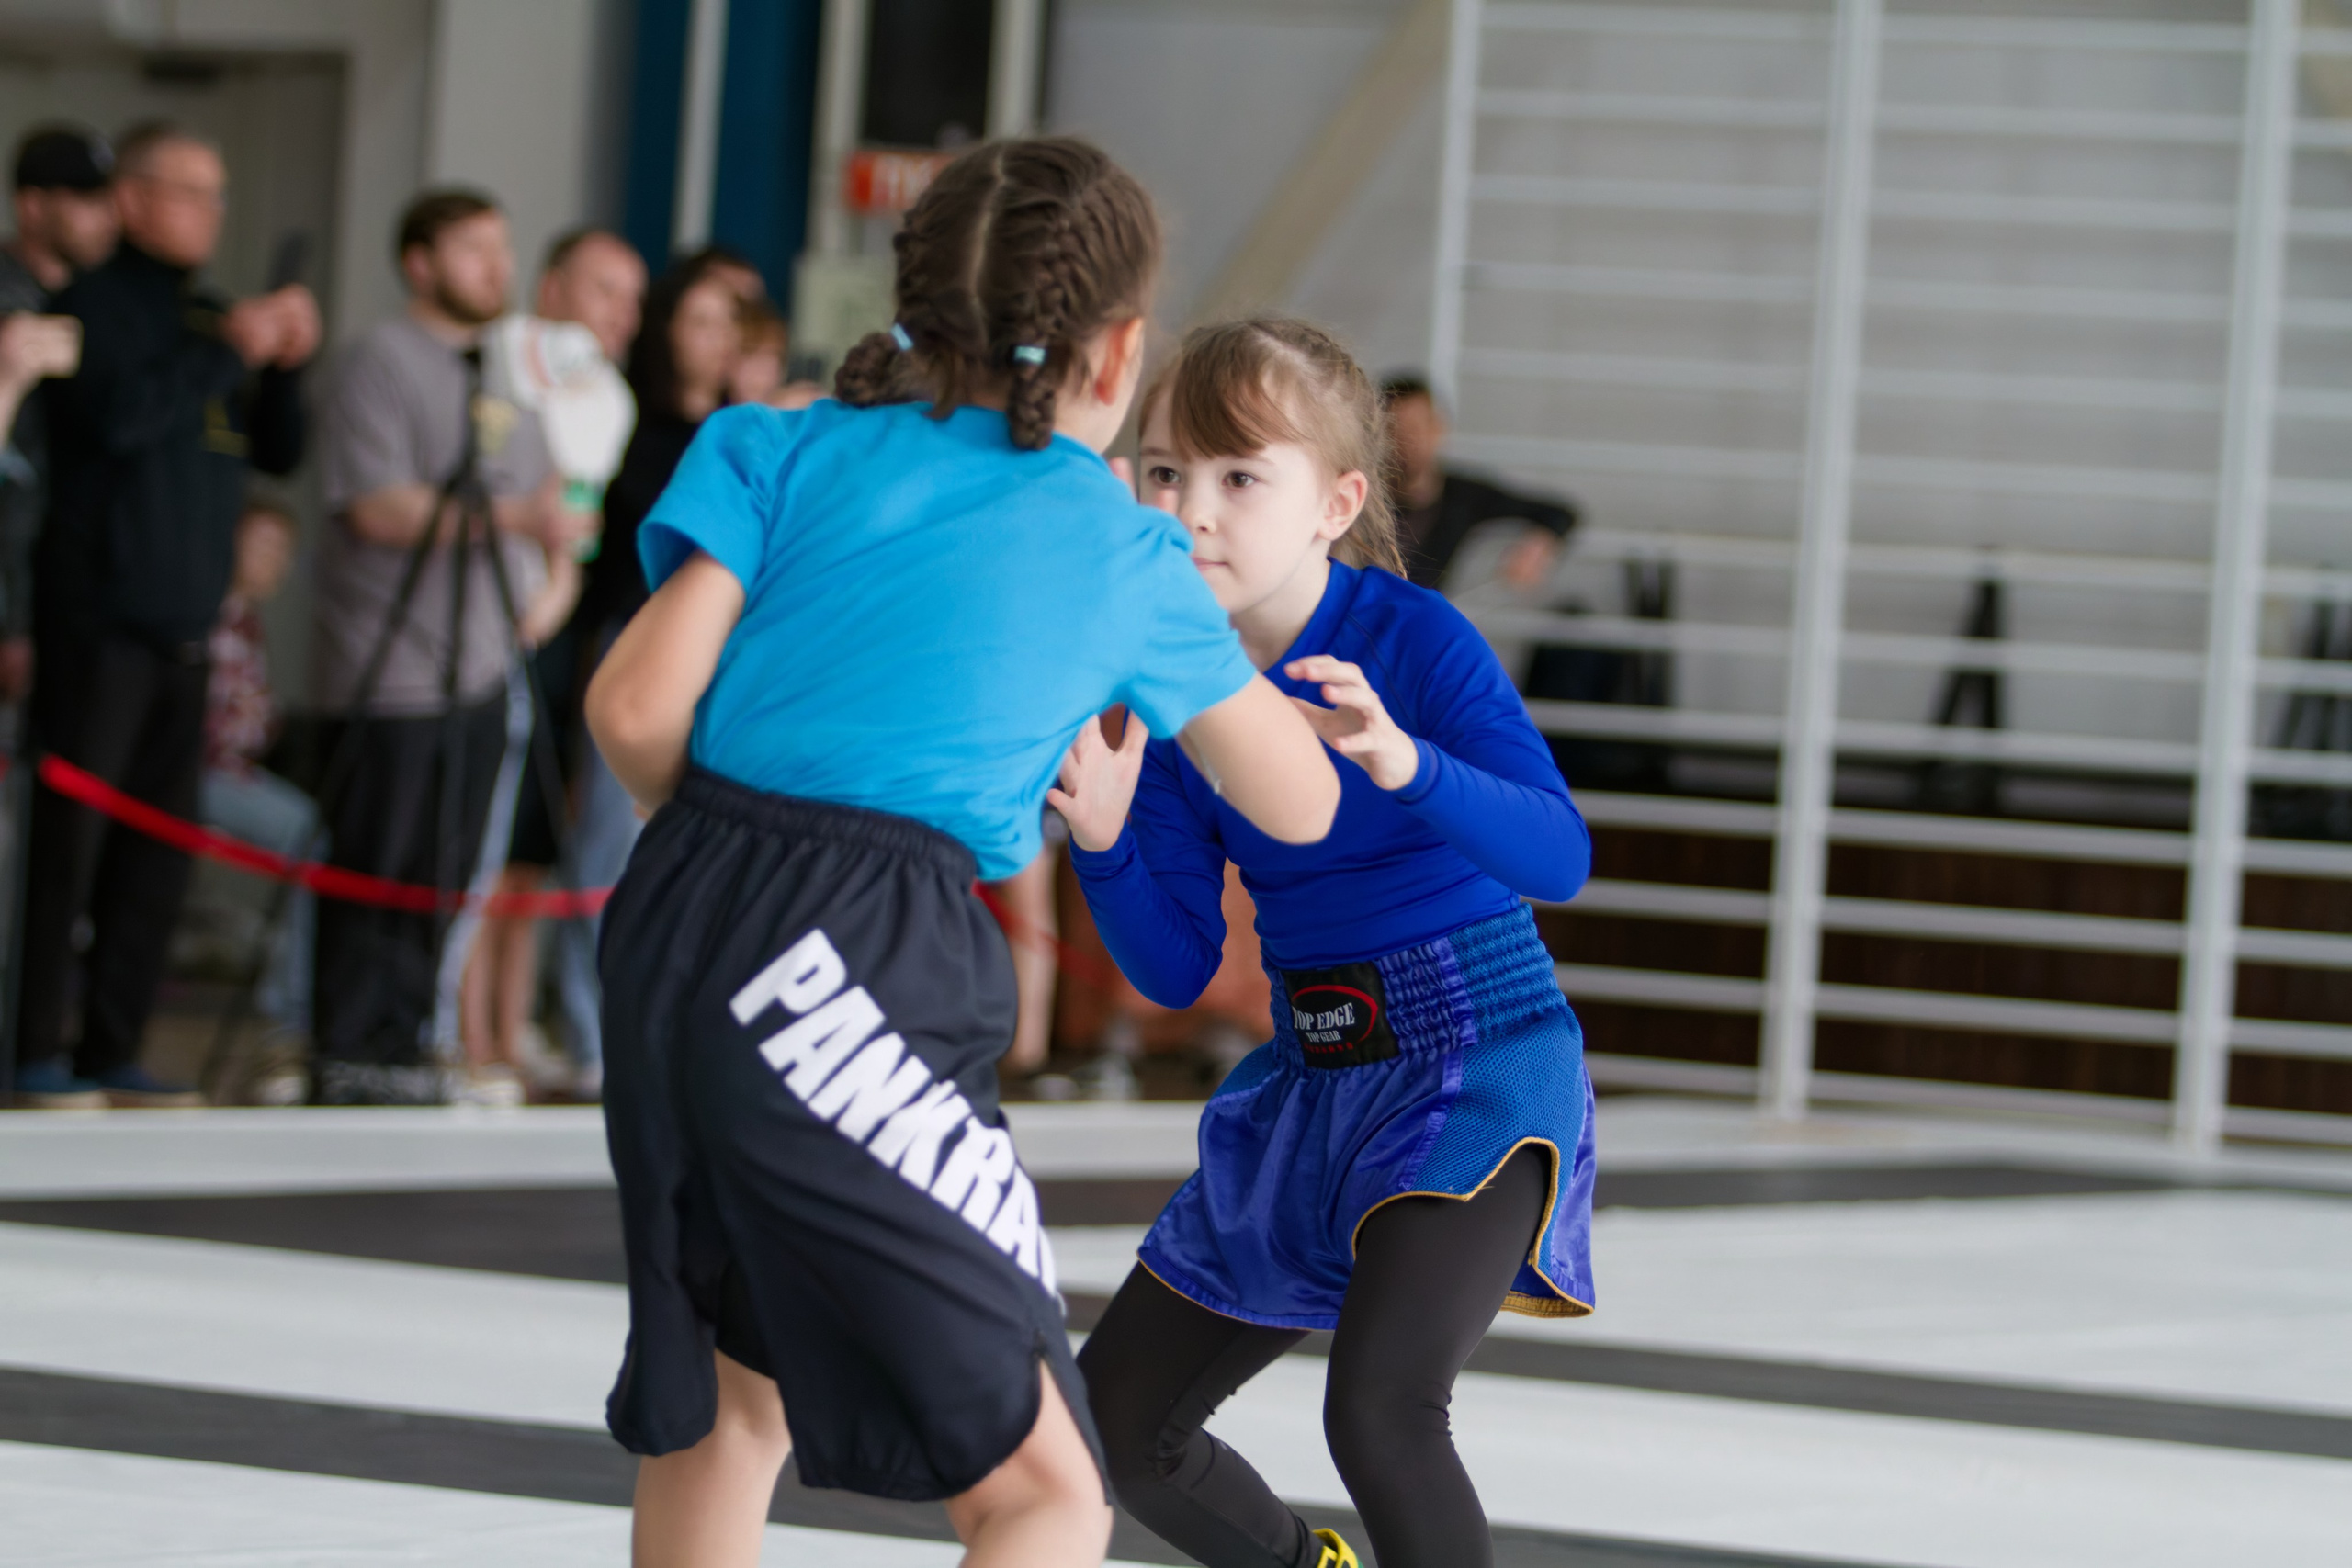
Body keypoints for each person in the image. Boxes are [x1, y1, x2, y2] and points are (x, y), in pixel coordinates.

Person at [582, 136, 1340, 1568]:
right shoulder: (1118, 547)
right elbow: (1297, 803)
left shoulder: (780, 440)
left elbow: (632, 709)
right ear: (1120, 352)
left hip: (674, 917)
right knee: (1047, 1491)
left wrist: (756, 840)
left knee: (729, 1393)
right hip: (852, 947)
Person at [1056, 320, 1596, 1568]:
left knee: (1382, 1408)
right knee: (1118, 1422)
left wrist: (1405, 760)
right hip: (1314, 1076)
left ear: (1336, 502)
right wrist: (1103, 838)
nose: (1193, 509)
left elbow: (1557, 856)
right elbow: (1179, 966)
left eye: (1240, 476)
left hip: (1480, 1056)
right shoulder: (1171, 685)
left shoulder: (1416, 638)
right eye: (1163, 472)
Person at [15, 122, 315, 1111]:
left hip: (189, 629)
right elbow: (117, 422)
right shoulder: (90, 308)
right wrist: (229, 349)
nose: (209, 212)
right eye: (189, 190)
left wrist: (282, 365)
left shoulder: (211, 320)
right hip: (97, 623)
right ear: (136, 198)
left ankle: (117, 1046)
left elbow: (278, 452)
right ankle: (36, 1049)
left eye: (218, 193)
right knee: (71, 853)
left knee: (158, 854)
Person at [309, 187, 588, 1106]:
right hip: (387, 667)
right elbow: (378, 504)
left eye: (502, 250)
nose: (495, 271)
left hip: (480, 662)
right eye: (472, 250)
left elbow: (554, 501)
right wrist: (508, 516)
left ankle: (407, 1042)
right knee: (377, 864)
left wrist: (546, 582)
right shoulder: (376, 363)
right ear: (419, 262)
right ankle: (347, 1048)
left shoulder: (504, 369)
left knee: (447, 868)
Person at [459, 227, 646, 1100]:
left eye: (631, 297)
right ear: (554, 283)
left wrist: (553, 590)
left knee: (530, 838)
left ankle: (503, 1029)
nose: (621, 313)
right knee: (477, 840)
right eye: (604, 289)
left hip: (544, 625)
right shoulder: (491, 362)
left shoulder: (606, 397)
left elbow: (574, 522)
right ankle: (457, 1031)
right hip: (461, 628)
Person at [199, 502, 314, 1095]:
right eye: (264, 545)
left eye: (284, 552)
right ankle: (286, 1017)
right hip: (198, 775)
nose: (277, 563)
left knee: (310, 828)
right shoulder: (205, 613)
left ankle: (289, 1015)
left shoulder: (248, 622)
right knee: (308, 833)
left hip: (237, 770)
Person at [3, 125, 119, 711]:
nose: (106, 216)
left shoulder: (103, 305)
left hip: (82, 596)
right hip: (20, 597)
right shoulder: (8, 301)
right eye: (85, 199)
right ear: (32, 205)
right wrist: (10, 620)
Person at [1381, 372, 1576, 592]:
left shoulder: (1465, 495)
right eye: (1394, 429)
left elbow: (1559, 513)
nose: (1406, 440)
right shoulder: (1363, 496)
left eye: (1415, 429)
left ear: (1438, 429)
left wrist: (1536, 548)